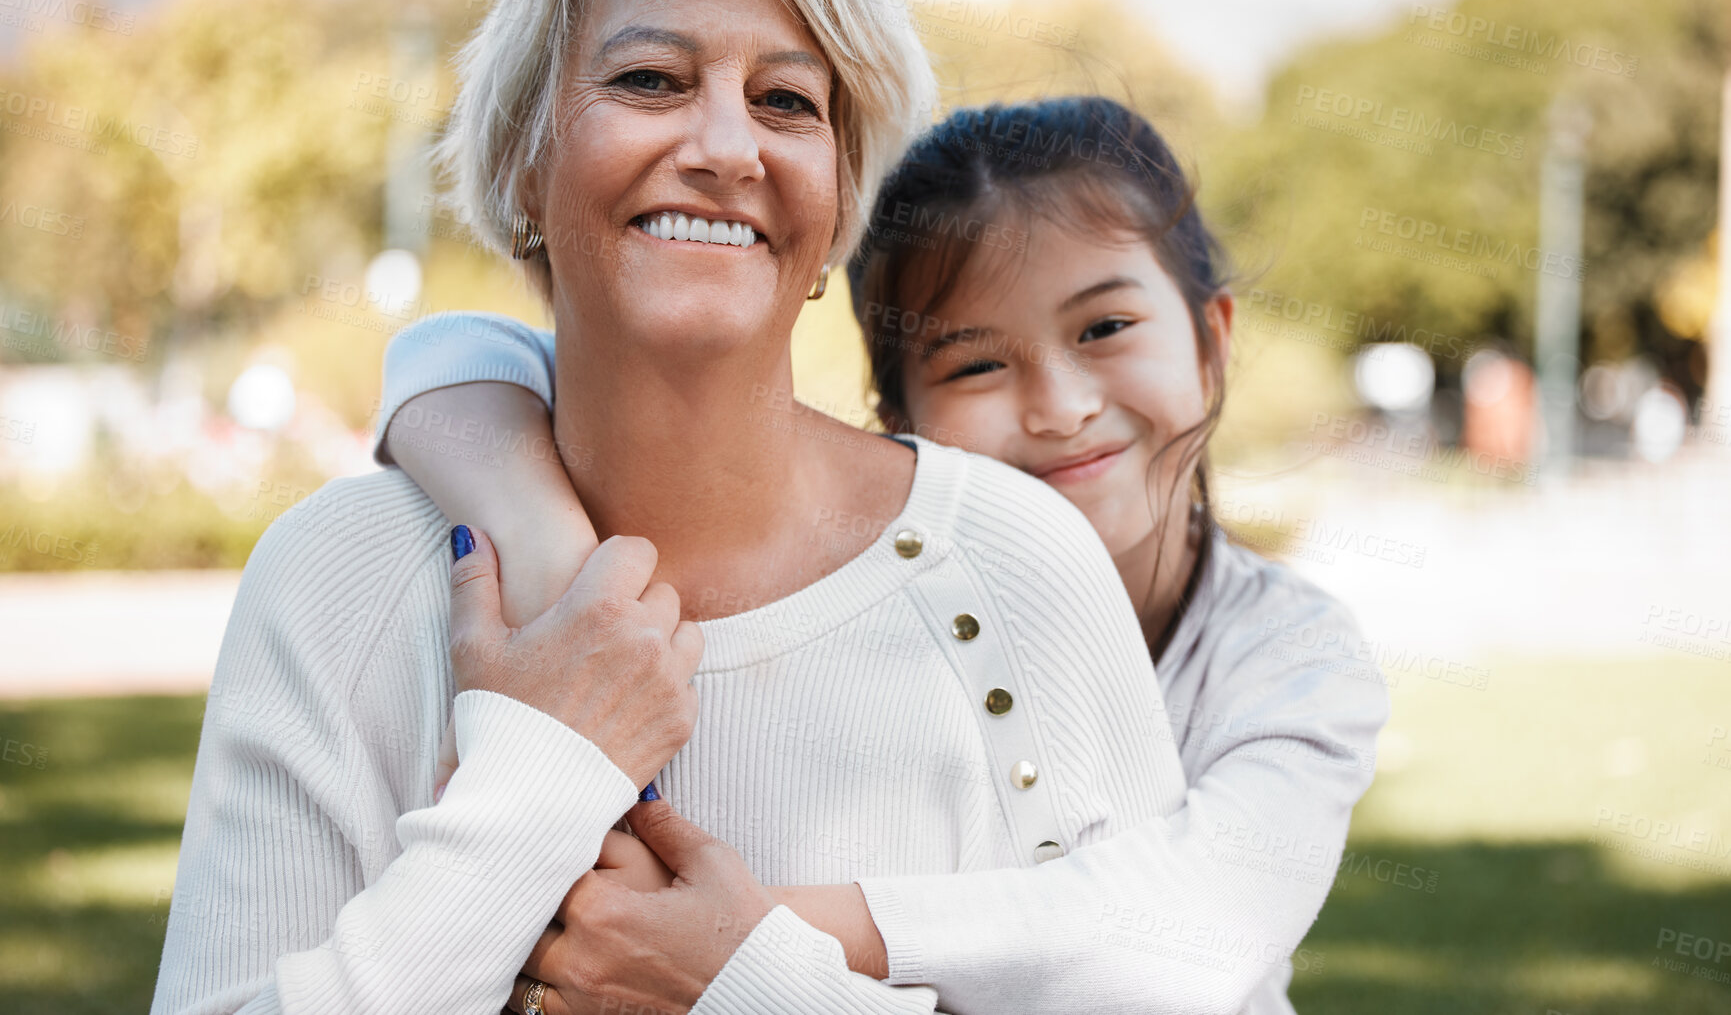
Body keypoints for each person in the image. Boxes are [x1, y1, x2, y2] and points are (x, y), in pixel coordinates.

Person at [150, 0, 1191, 1013]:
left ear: (841, 194)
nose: (727, 146)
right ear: (523, 155)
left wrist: (749, 990)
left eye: (788, 100)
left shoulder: (1018, 564)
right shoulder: (336, 580)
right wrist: (542, 773)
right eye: (650, 79)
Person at [375, 97, 1390, 1014]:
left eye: (1108, 327)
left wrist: (740, 936)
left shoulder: (1290, 657)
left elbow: (1192, 937)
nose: (1062, 407)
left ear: (1212, 339)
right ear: (894, 425)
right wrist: (541, 535)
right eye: (979, 362)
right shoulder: (897, 595)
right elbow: (451, 353)